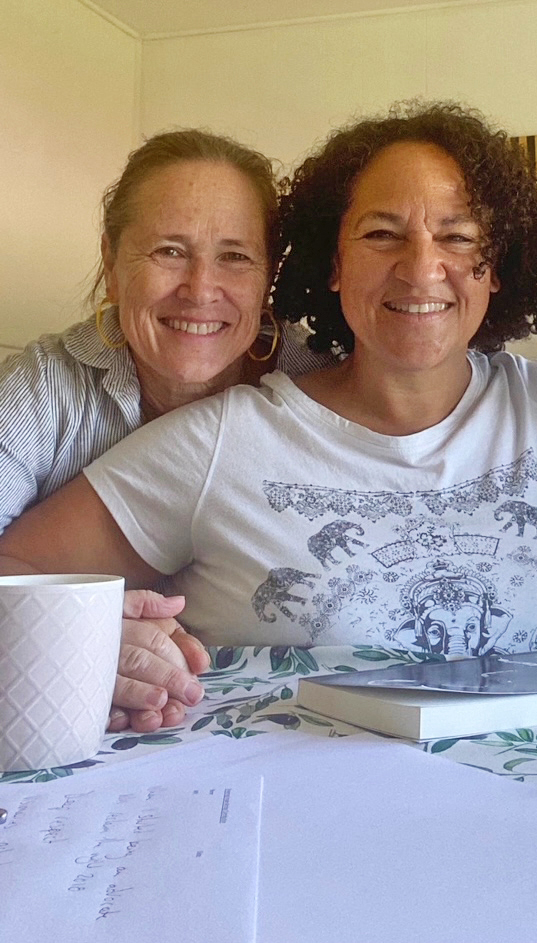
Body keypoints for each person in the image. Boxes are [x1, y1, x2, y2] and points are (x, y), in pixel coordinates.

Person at [0, 103, 537, 674]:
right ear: (332, 264)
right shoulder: (109, 408)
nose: (422, 269)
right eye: (382, 234)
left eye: (457, 236)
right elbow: (19, 567)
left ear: (495, 265)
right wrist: (79, 641)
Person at [0, 129, 334, 731]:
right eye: (169, 251)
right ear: (111, 262)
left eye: (235, 255)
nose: (200, 289)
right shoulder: (43, 388)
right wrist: (84, 635)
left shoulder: (323, 381)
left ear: (269, 276)